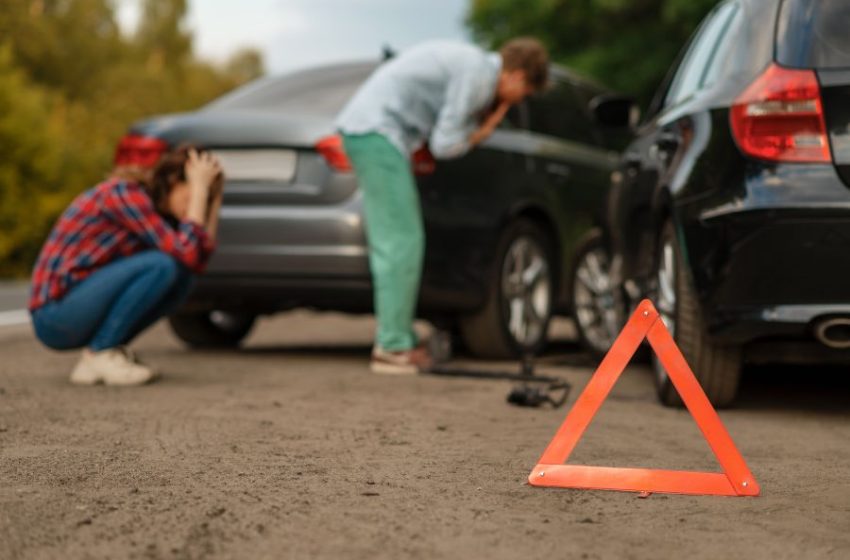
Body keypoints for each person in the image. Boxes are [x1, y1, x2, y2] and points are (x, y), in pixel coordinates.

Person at [335, 37, 549, 375]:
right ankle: (392, 347)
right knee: (401, 241)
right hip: (378, 133)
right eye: (525, 95)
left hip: (370, 131)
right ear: (518, 77)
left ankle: (398, 336)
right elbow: (445, 144)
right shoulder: (479, 76)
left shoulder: (472, 63)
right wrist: (481, 132)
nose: (519, 101)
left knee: (393, 240)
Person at [29, 146, 224, 386]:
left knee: (183, 278)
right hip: (54, 314)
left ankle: (102, 354)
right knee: (163, 265)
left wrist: (213, 200)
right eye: (192, 196)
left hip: (78, 307)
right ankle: (100, 352)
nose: (195, 208)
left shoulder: (162, 215)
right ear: (173, 181)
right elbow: (187, 253)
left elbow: (197, 262)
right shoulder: (127, 194)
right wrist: (201, 189)